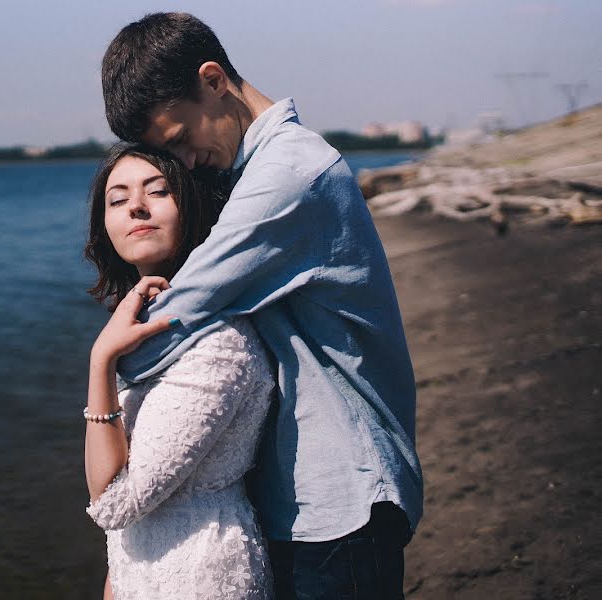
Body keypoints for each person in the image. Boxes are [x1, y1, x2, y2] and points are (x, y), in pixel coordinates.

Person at [100, 12, 423, 599]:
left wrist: (106, 358)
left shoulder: (289, 175)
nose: (187, 162)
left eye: (179, 141)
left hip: (341, 494)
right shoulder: (256, 172)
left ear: (214, 80)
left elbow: (178, 315)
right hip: (300, 497)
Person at [83, 143, 277, 599]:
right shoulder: (149, 334)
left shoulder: (218, 340)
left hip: (200, 577)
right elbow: (128, 521)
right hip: (144, 571)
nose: (136, 206)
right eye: (117, 200)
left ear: (193, 208)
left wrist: (100, 361)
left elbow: (113, 502)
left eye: (159, 191)